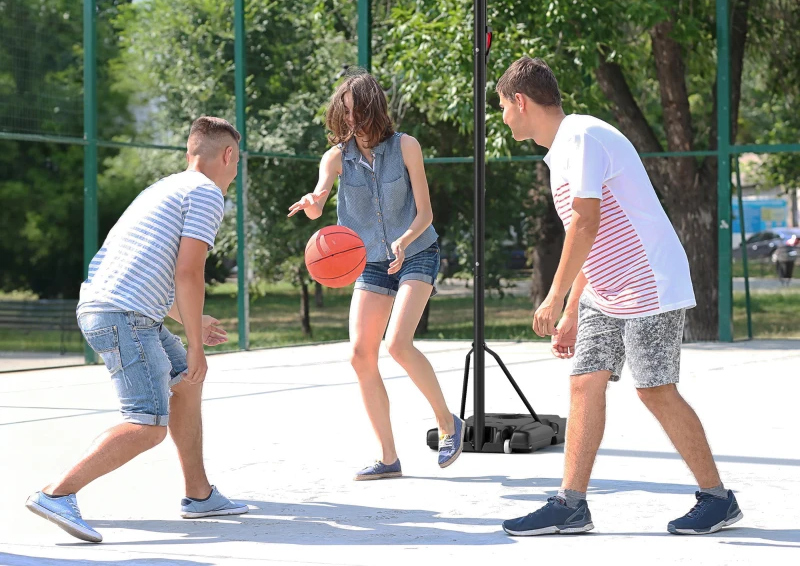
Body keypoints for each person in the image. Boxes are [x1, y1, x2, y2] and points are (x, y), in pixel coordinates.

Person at [496, 57, 742, 537]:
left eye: (503, 106)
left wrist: (553, 295)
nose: (504, 116)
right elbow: (590, 237)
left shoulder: (582, 138)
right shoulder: (560, 152)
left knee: (655, 390)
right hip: (606, 291)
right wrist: (571, 310)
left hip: (650, 284)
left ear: (520, 102)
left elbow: (586, 223)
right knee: (584, 382)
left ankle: (717, 498)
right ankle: (571, 504)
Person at [26, 116, 249, 543]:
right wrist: (198, 347)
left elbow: (146, 271)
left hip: (117, 308)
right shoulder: (206, 193)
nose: (234, 172)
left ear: (189, 153)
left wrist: (190, 321)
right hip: (122, 316)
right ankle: (58, 492)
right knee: (147, 423)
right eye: (236, 162)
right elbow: (188, 273)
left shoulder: (165, 187)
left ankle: (199, 495)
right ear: (227, 155)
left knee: (185, 381)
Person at [288, 70, 464, 479]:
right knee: (359, 354)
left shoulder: (406, 147)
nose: (351, 120)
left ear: (374, 109)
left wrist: (404, 239)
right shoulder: (335, 158)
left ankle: (448, 422)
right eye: (345, 113)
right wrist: (313, 203)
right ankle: (388, 458)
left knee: (398, 344)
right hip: (369, 260)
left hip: (417, 250)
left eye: (358, 112)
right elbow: (319, 200)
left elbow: (426, 212)